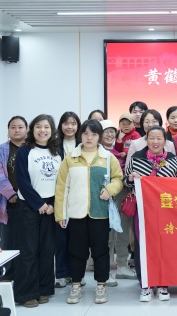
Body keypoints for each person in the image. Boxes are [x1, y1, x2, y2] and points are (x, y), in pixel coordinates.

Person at [55, 119, 124, 305]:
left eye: (93, 134)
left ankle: (101, 285)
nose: (89, 138)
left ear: (99, 136)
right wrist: (60, 214)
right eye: (85, 133)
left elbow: (118, 179)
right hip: (76, 213)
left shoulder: (108, 157)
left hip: (99, 213)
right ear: (81, 135)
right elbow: (62, 187)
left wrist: (110, 189)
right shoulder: (70, 158)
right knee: (76, 251)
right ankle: (76, 285)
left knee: (100, 251)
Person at [124, 126, 177, 302]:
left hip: (167, 211)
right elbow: (126, 181)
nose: (155, 142)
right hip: (143, 211)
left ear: (165, 141)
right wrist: (130, 179)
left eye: (159, 138)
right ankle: (146, 285)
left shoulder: (172, 159)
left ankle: (163, 284)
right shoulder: (136, 158)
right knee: (143, 247)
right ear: (147, 140)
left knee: (165, 247)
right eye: (152, 138)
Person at [13, 114, 61, 308]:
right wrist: (39, 204)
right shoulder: (25, 151)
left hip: (50, 207)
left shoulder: (57, 152)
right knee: (29, 251)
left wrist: (53, 204)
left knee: (47, 250)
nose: (43, 130)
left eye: (47, 127)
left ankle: (43, 289)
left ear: (52, 130)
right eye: (39, 126)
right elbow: (22, 181)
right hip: (29, 206)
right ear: (32, 130)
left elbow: (61, 181)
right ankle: (26, 293)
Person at [0, 115, 28, 282]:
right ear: (8, 130)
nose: (17, 130)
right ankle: (6, 278)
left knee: (27, 243)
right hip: (8, 204)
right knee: (7, 242)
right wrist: (10, 194)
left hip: (29, 204)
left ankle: (24, 279)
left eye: (20, 127)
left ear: (26, 129)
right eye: (13, 127)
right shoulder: (0, 150)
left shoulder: (32, 149)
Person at [100, 119, 137, 281]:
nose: (109, 134)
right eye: (105, 131)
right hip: (103, 195)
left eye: (112, 131)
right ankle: (106, 268)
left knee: (122, 230)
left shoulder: (121, 150)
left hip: (122, 193)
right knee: (106, 232)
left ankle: (122, 265)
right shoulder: (96, 151)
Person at [55, 111, 82, 288]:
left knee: (77, 238)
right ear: (61, 126)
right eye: (66, 123)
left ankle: (76, 274)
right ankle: (62, 274)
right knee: (61, 237)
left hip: (78, 194)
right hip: (60, 192)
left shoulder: (84, 144)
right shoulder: (54, 144)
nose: (69, 127)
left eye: (73, 123)